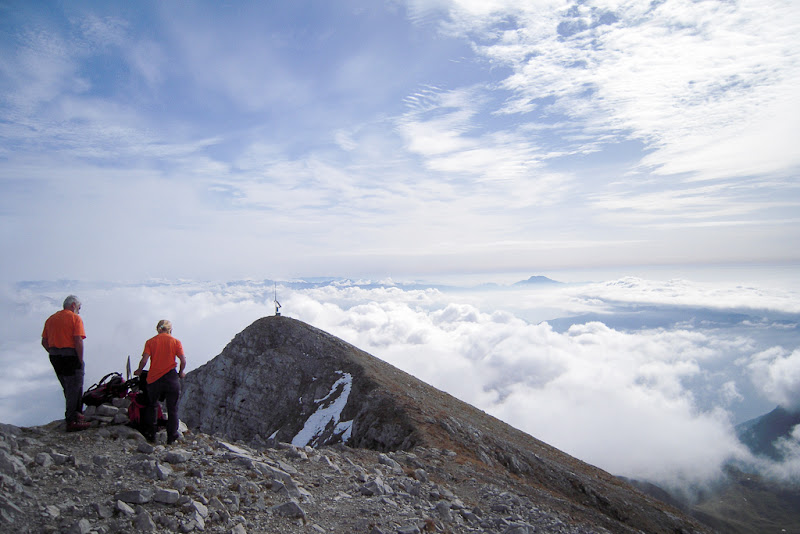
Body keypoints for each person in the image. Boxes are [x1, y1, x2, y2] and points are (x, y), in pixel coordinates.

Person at [42, 295, 90, 432]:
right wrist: (80, 360)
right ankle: (72, 420)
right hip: (70, 356)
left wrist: (54, 352)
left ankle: (74, 415)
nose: (79, 311)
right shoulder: (75, 318)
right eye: (79, 308)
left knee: (67, 387)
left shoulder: (50, 319)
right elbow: (78, 340)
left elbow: (44, 342)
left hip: (55, 356)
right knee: (74, 388)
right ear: (73, 305)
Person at [134, 319, 186, 444]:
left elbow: (144, 360)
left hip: (154, 378)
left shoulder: (151, 342)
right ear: (170, 329)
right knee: (172, 409)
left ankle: (151, 435)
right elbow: (183, 360)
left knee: (152, 406)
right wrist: (181, 372)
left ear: (158, 328)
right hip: (171, 378)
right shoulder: (175, 342)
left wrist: (139, 370)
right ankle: (171, 437)